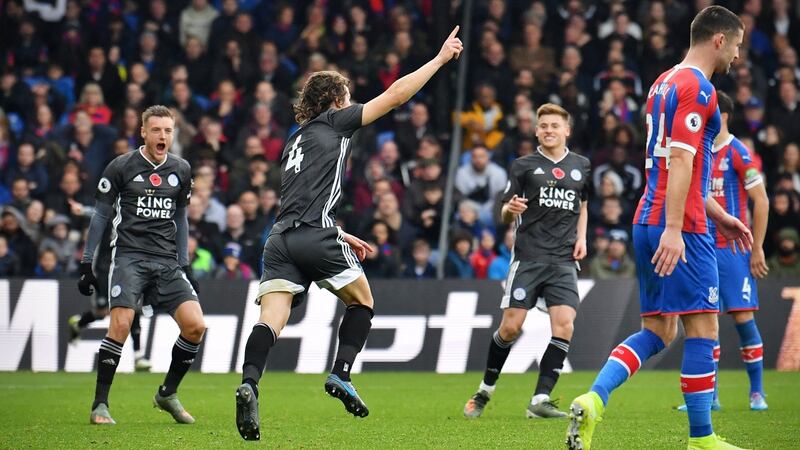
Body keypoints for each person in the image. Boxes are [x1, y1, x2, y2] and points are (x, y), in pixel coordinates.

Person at [234, 27, 463, 441]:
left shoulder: (293, 141)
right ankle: (341, 374)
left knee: (272, 318)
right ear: (336, 101)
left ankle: (250, 383)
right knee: (363, 301)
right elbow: (395, 96)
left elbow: (305, 198)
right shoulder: (336, 123)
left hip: (280, 239)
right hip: (314, 235)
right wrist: (439, 60)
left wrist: (340, 233)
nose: (353, 102)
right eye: (348, 96)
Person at [566, 7, 753, 450]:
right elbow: (682, 160)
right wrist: (677, 226)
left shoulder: (661, 82)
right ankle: (702, 439)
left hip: (650, 218)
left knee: (659, 331)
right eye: (738, 46)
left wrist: (719, 213)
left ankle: (593, 399)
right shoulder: (698, 88)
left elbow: (673, 162)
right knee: (704, 330)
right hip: (680, 226)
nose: (740, 58)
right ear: (719, 40)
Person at [77, 105, 205, 426]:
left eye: (168, 131)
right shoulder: (121, 167)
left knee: (195, 326)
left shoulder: (181, 169)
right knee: (120, 325)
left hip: (167, 262)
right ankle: (100, 405)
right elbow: (102, 216)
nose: (163, 136)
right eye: (157, 130)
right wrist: (87, 262)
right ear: (143, 132)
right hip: (129, 257)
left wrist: (185, 264)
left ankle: (167, 393)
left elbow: (181, 217)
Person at [463, 103, 590, 419]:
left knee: (565, 326)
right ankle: (484, 391)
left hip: (563, 260)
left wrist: (583, 238)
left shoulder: (582, 166)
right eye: (543, 125)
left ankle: (540, 400)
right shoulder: (522, 165)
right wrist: (511, 210)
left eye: (554, 126)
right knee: (510, 328)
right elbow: (504, 212)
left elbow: (583, 205)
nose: (548, 130)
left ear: (566, 131)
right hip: (529, 258)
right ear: (536, 130)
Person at [674, 91, 770, 413]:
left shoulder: (739, 152)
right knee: (704, 320)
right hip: (701, 245)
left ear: (722, 116)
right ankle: (709, 396)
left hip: (732, 249)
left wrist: (756, 247)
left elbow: (763, 200)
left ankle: (756, 393)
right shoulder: (698, 151)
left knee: (743, 318)